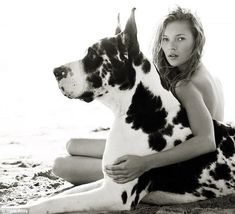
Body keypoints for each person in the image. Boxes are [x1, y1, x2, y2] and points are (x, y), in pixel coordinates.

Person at [52, 7, 224, 187]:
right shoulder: (209, 77)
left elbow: (207, 141)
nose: (171, 47)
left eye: (180, 38)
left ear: (197, 40)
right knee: (73, 145)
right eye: (165, 39)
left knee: (62, 166)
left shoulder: (186, 85)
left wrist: (144, 164)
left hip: (176, 167)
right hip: (167, 149)